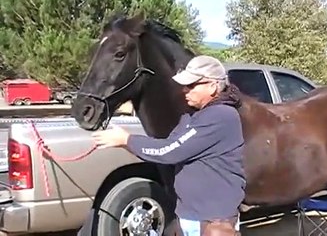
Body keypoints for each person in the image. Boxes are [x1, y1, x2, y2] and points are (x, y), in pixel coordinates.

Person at [91, 55, 246, 236]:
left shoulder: (220, 116)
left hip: (212, 221)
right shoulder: (193, 115)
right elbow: (170, 145)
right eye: (184, 85)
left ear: (212, 86)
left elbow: (170, 150)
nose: (185, 90)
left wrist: (127, 140)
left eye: (192, 85)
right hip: (191, 216)